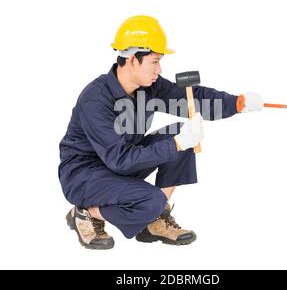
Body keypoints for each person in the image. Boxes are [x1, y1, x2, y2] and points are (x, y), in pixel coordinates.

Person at [58, 15, 263, 250]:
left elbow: (192, 98)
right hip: (85, 175)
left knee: (179, 133)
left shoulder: (149, 87)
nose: (159, 69)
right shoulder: (96, 99)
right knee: (155, 192)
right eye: (154, 61)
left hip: (119, 165)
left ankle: (153, 219)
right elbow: (120, 160)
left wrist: (236, 103)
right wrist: (175, 144)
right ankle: (86, 213)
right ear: (133, 59)